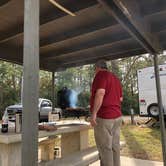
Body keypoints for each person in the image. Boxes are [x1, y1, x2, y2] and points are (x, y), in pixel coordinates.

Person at [90, 60, 123, 166]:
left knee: (105, 148)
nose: (94, 72)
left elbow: (100, 93)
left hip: (104, 117)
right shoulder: (115, 78)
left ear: (97, 68)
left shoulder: (100, 75)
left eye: (94, 69)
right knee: (115, 146)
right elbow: (120, 98)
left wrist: (94, 113)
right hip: (117, 117)